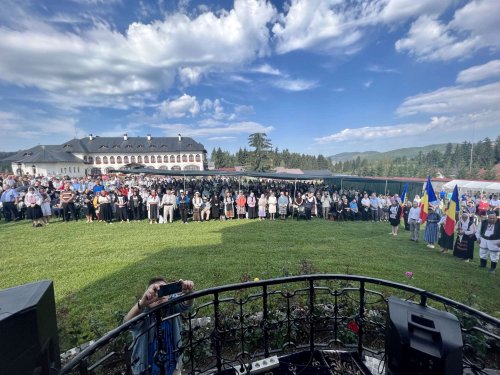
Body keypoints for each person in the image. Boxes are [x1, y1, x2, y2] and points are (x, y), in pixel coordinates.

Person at [124, 278, 195, 375]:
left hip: (172, 364)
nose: (159, 295)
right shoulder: (144, 314)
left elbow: (186, 305)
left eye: (164, 290)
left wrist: (189, 293)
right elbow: (128, 323)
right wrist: (142, 303)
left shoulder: (172, 307)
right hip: (146, 367)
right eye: (154, 292)